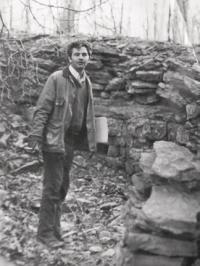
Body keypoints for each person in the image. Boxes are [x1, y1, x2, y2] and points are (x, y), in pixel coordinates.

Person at [28, 40, 96, 248]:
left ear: (89, 57)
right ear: (69, 57)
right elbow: (42, 109)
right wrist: (36, 136)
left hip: (71, 142)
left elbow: (89, 115)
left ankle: (55, 231)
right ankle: (45, 234)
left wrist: (94, 143)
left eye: (84, 54)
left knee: (63, 187)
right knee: (52, 187)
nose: (81, 58)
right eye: (77, 54)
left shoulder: (87, 82)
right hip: (54, 140)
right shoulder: (57, 78)